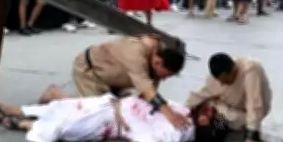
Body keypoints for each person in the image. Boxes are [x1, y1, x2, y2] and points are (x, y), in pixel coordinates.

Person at [0, 93, 229, 142]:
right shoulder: (187, 112)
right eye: (211, 111)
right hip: (115, 103)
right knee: (62, 108)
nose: (208, 111)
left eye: (210, 115)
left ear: (205, 126)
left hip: (113, 121)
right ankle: (15, 111)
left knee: (67, 127)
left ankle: (24, 124)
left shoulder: (181, 133)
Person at [40, 35, 190, 130]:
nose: (163, 79)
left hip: (116, 79)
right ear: (157, 63)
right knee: (94, 113)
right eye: (165, 76)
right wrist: (170, 115)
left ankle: (109, 96)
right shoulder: (136, 52)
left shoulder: (160, 54)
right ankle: (55, 94)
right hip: (91, 71)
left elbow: (149, 95)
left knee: (125, 110)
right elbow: (147, 89)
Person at [185, 52, 272, 142]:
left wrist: (252, 135)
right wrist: (183, 111)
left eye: (224, 80)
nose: (222, 84)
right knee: (206, 105)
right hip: (228, 108)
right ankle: (216, 124)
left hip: (247, 113)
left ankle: (218, 124)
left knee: (221, 115)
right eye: (219, 80)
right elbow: (199, 95)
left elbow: (254, 103)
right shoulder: (218, 77)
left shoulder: (251, 69)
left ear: (234, 69)